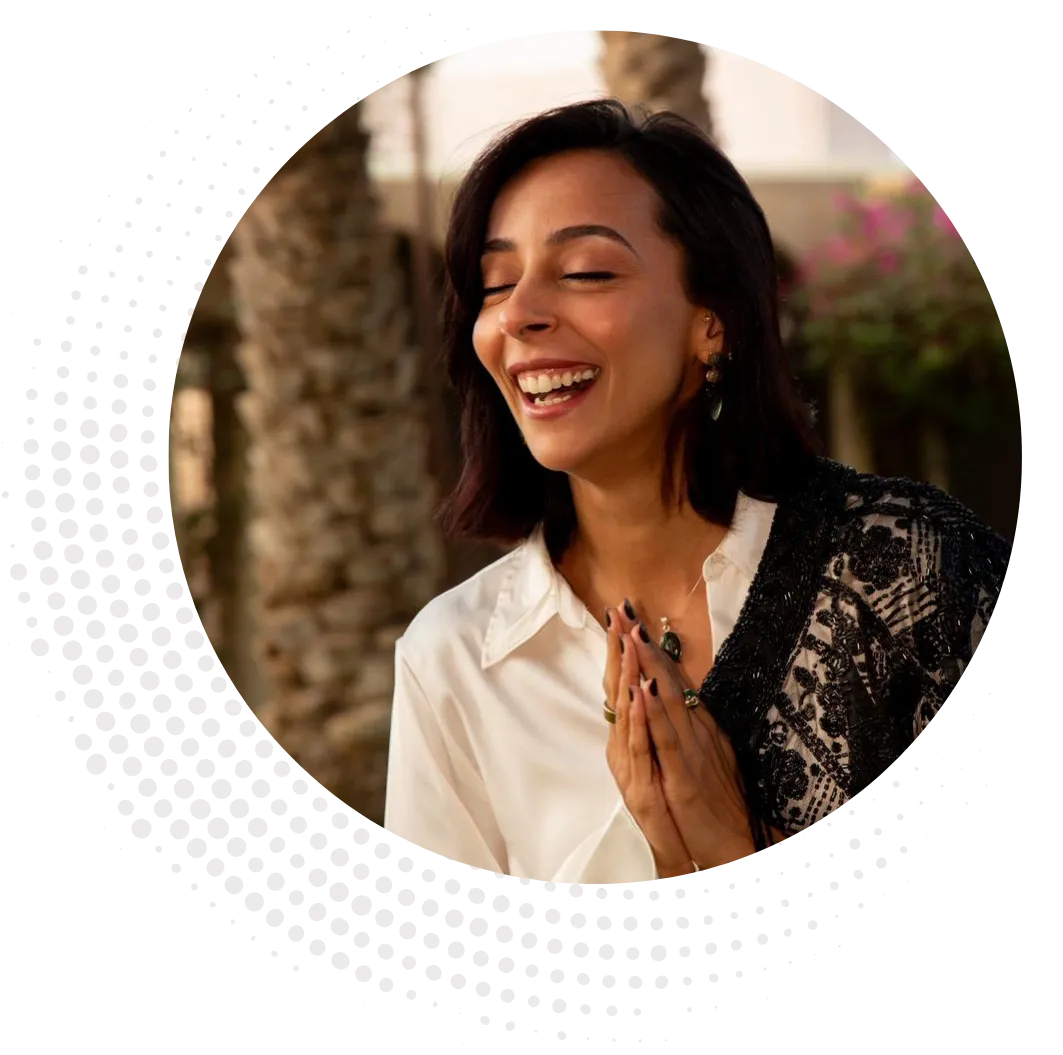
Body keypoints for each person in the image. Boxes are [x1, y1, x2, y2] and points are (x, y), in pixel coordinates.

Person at [382, 99, 1012, 884]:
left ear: (711, 322)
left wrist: (734, 846)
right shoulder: (454, 659)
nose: (518, 314)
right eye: (494, 283)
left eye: (585, 272)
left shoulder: (910, 573)